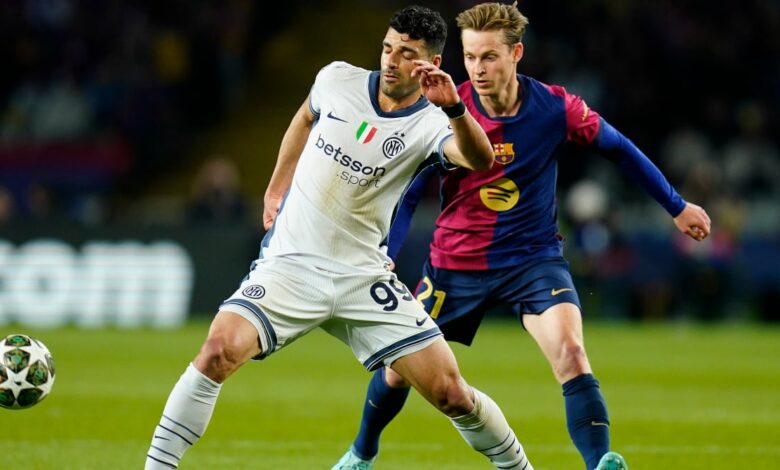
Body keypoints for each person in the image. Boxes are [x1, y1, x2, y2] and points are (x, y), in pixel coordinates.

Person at [145, 6, 534, 470]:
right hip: (291, 265)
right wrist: (276, 186)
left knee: (452, 393)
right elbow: (303, 118)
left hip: (363, 278)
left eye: (406, 53)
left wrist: (454, 107)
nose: (391, 60)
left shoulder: (432, 122)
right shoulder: (337, 79)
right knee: (217, 351)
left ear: (430, 62)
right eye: (387, 48)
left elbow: (482, 159)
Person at [333, 3, 712, 470]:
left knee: (571, 353)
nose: (478, 68)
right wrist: (387, 251)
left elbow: (618, 148)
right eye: (470, 57)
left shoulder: (555, 108)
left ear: (516, 53)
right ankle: (361, 453)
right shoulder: (444, 111)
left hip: (533, 261)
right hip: (454, 264)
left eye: (489, 56)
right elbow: (410, 193)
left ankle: (600, 462)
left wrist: (677, 205)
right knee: (397, 372)